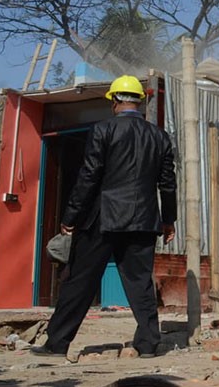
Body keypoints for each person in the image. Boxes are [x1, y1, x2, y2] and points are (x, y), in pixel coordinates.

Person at [31, 75, 177, 359]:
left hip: (103, 218)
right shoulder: (159, 137)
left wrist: (71, 216)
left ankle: (57, 344)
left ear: (115, 101)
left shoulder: (102, 130)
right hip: (143, 219)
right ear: (139, 102)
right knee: (140, 283)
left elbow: (88, 177)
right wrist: (168, 220)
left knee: (80, 280)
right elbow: (168, 183)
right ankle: (148, 345)